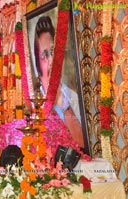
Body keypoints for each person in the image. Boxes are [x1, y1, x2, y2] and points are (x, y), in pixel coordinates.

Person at [34, 16, 84, 148]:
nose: (51, 60)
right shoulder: (33, 105)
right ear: (37, 64)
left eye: (52, 52)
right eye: (44, 55)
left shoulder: (73, 98)